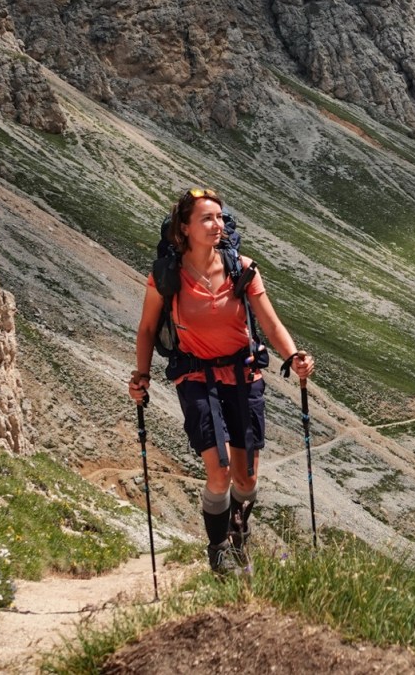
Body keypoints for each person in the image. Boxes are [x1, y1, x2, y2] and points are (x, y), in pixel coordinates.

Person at [129, 187, 314, 574]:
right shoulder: (166, 276)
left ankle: (238, 530)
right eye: (207, 219)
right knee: (220, 471)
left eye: (220, 217)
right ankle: (218, 551)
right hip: (196, 375)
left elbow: (269, 321)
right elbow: (147, 329)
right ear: (184, 228)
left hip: (244, 374)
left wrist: (293, 356)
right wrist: (141, 377)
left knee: (245, 479)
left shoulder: (241, 268)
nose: (217, 225)